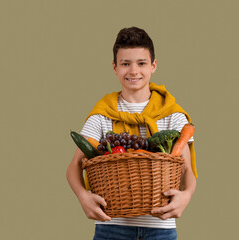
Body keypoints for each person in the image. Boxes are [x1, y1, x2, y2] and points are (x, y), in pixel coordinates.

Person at [66, 27, 197, 240]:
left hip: (161, 226)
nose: (133, 71)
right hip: (112, 226)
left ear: (153, 65)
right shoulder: (102, 115)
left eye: (141, 63)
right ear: (115, 67)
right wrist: (83, 197)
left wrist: (187, 195)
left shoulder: (173, 116)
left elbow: (187, 170)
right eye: (125, 64)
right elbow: (73, 167)